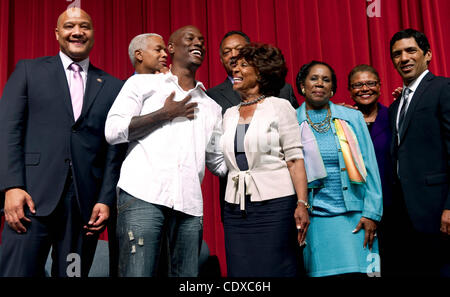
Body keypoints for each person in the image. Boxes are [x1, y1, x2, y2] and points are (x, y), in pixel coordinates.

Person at [0, 7, 125, 277]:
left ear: (93, 34)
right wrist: (12, 187)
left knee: (72, 273)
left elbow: (114, 151)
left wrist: (104, 199)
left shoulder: (114, 87)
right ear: (57, 33)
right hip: (30, 202)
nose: (77, 32)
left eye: (84, 26)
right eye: (69, 26)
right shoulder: (28, 71)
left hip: (82, 212)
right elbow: (8, 130)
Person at [104, 25, 226, 277]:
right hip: (142, 196)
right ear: (171, 48)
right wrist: (165, 114)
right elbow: (113, 130)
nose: (198, 43)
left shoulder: (211, 107)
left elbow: (218, 163)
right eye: (190, 38)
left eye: (202, 40)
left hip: (190, 206)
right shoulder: (142, 83)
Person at [219, 43, 309, 277]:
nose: (235, 70)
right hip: (235, 208)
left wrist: (302, 203)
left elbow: (295, 159)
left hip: (275, 206)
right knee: (241, 271)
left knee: (275, 268)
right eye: (234, 65)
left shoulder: (279, 107)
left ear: (260, 73)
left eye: (243, 65)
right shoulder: (229, 114)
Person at [296, 61, 383, 277]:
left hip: (357, 218)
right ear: (302, 86)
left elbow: (370, 167)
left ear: (333, 88)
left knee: (368, 274)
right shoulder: (291, 121)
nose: (320, 84)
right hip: (315, 220)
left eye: (326, 80)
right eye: (314, 78)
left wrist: (372, 214)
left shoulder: (352, 117)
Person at [386, 28, 450, 276]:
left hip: (438, 210)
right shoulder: (396, 105)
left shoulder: (443, 89)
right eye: (397, 54)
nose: (404, 58)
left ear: (428, 55)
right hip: (406, 216)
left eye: (411, 50)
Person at [347, 65, 394, 273]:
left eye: (370, 83)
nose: (365, 89)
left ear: (380, 86)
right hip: (358, 208)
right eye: (358, 85)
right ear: (350, 90)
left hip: (394, 207)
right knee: (367, 267)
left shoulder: (394, 116)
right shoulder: (343, 121)